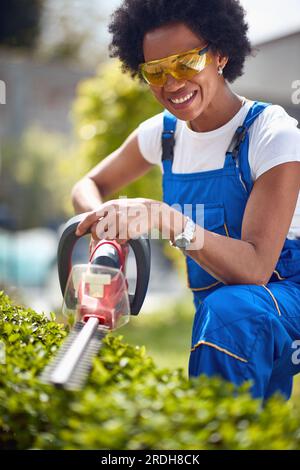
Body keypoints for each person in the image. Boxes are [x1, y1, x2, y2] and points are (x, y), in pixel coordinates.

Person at [71, 0, 300, 400]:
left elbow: (255, 268)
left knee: (234, 312)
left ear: (221, 55)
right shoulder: (163, 135)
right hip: (223, 308)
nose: (172, 83)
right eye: (155, 71)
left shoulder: (272, 134)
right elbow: (88, 185)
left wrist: (164, 218)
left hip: (282, 295)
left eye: (186, 63)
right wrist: (103, 226)